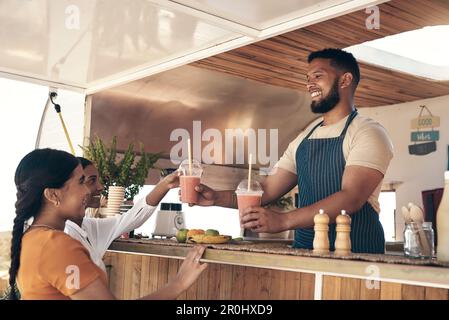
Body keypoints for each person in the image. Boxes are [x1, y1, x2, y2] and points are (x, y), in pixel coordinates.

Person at [190, 48, 393, 253]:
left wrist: (284, 220)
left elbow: (351, 197)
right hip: (307, 253)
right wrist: (216, 197)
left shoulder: (368, 132)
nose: (309, 83)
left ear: (345, 80)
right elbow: (267, 190)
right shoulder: (304, 137)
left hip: (358, 255)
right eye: (307, 78)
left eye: (318, 76)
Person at [9, 149, 207, 300]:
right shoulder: (56, 245)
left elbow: (131, 218)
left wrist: (163, 185)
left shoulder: (31, 238)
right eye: (81, 182)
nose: (89, 190)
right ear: (53, 194)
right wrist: (179, 283)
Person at [65, 157, 179, 273]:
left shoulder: (87, 226)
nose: (101, 187)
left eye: (99, 180)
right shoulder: (65, 235)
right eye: (91, 180)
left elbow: (133, 217)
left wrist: (166, 184)